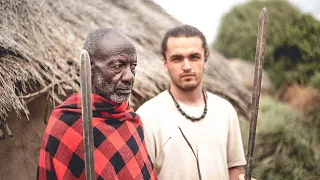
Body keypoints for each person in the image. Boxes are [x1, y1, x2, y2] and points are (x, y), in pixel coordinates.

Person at [37, 28, 157, 180]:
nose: (130, 76)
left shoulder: (131, 122)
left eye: (133, 66)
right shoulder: (66, 124)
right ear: (90, 70)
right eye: (118, 66)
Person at [137, 25, 251, 180]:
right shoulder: (147, 116)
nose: (187, 66)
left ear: (205, 61)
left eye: (194, 57)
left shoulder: (225, 110)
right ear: (165, 64)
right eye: (177, 59)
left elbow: (235, 169)